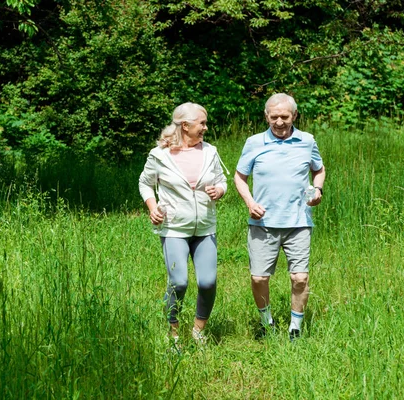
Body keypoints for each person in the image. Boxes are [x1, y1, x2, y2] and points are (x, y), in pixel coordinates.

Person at [234, 93, 326, 341]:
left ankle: (295, 329)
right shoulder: (254, 143)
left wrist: (317, 190)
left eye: (285, 116)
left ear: (295, 115)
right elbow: (239, 177)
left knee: (300, 277)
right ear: (266, 116)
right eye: (274, 117)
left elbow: (318, 169)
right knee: (259, 277)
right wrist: (250, 202)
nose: (279, 122)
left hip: (298, 222)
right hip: (263, 223)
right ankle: (267, 323)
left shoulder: (307, 141)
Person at [139, 102, 228, 346]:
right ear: (185, 125)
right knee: (178, 282)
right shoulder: (160, 155)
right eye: (202, 123)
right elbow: (145, 183)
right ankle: (173, 332)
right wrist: (152, 206)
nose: (205, 128)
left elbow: (222, 180)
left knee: (208, 282)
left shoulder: (210, 151)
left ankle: (198, 330)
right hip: (174, 228)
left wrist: (219, 190)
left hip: (205, 227)